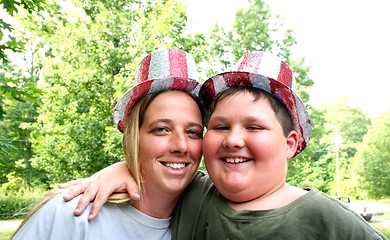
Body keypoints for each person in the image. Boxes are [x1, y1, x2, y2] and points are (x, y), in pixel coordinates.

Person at [62, 51, 387, 239]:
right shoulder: (194, 194)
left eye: (254, 126)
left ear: (289, 143)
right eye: (219, 126)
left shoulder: (327, 220)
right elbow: (160, 168)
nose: (233, 139)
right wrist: (122, 169)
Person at [12, 48, 206, 240]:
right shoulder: (72, 215)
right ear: (133, 138)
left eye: (192, 132)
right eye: (161, 129)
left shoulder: (203, 224)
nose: (181, 145)